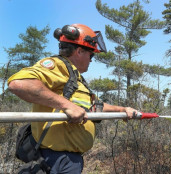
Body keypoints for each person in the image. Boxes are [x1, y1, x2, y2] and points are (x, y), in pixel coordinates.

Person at [8, 24, 138, 173]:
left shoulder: (75, 79)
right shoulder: (58, 65)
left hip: (69, 161)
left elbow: (95, 106)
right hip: (53, 160)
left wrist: (123, 110)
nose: (91, 60)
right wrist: (67, 105)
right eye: (91, 54)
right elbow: (19, 84)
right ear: (79, 51)